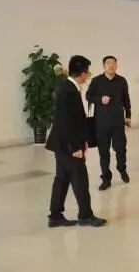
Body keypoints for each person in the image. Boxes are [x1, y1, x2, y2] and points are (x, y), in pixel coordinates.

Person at [46, 55, 106, 228]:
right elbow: (67, 122)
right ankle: (85, 215)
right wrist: (75, 147)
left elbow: (72, 120)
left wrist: (83, 140)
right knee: (80, 180)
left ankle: (55, 215)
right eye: (88, 72)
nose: (88, 75)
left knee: (62, 179)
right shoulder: (69, 91)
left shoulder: (67, 87)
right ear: (82, 73)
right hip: (68, 146)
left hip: (62, 144)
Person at [86, 56, 132, 191]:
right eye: (108, 63)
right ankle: (106, 178)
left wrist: (128, 116)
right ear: (104, 66)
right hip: (101, 123)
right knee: (104, 152)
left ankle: (122, 169)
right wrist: (100, 99)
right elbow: (88, 96)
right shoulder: (96, 81)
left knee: (121, 149)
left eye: (113, 63)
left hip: (118, 122)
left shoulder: (122, 80)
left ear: (116, 65)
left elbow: (126, 99)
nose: (111, 65)